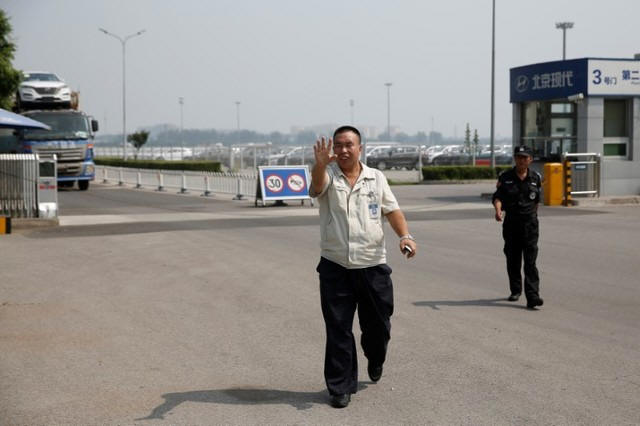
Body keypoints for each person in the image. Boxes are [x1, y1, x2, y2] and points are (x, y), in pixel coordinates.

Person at [309, 125, 417, 408]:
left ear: (360, 148)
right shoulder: (328, 174)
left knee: (378, 326)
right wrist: (319, 165)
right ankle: (340, 387)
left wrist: (405, 236)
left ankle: (376, 356)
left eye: (349, 144)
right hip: (335, 265)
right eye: (338, 145)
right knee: (338, 328)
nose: (343, 150)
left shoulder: (376, 178)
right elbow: (316, 188)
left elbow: (392, 210)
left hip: (372, 265)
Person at [492, 145, 544, 309]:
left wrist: (533, 217)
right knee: (513, 259)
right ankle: (515, 290)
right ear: (515, 159)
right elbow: (498, 197)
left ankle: (533, 296)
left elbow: (536, 201)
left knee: (530, 262)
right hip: (512, 224)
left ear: (530, 160)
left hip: (530, 226)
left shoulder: (536, 178)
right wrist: (498, 211)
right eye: (519, 157)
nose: (521, 160)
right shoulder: (505, 177)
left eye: (524, 157)